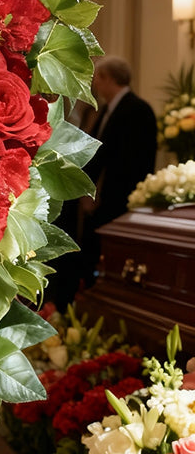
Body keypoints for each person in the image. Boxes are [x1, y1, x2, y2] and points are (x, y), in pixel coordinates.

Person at [78, 55, 157, 288]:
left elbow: (135, 162)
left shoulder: (138, 110)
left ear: (106, 78)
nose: (95, 84)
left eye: (97, 78)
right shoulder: (106, 110)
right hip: (102, 198)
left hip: (120, 199)